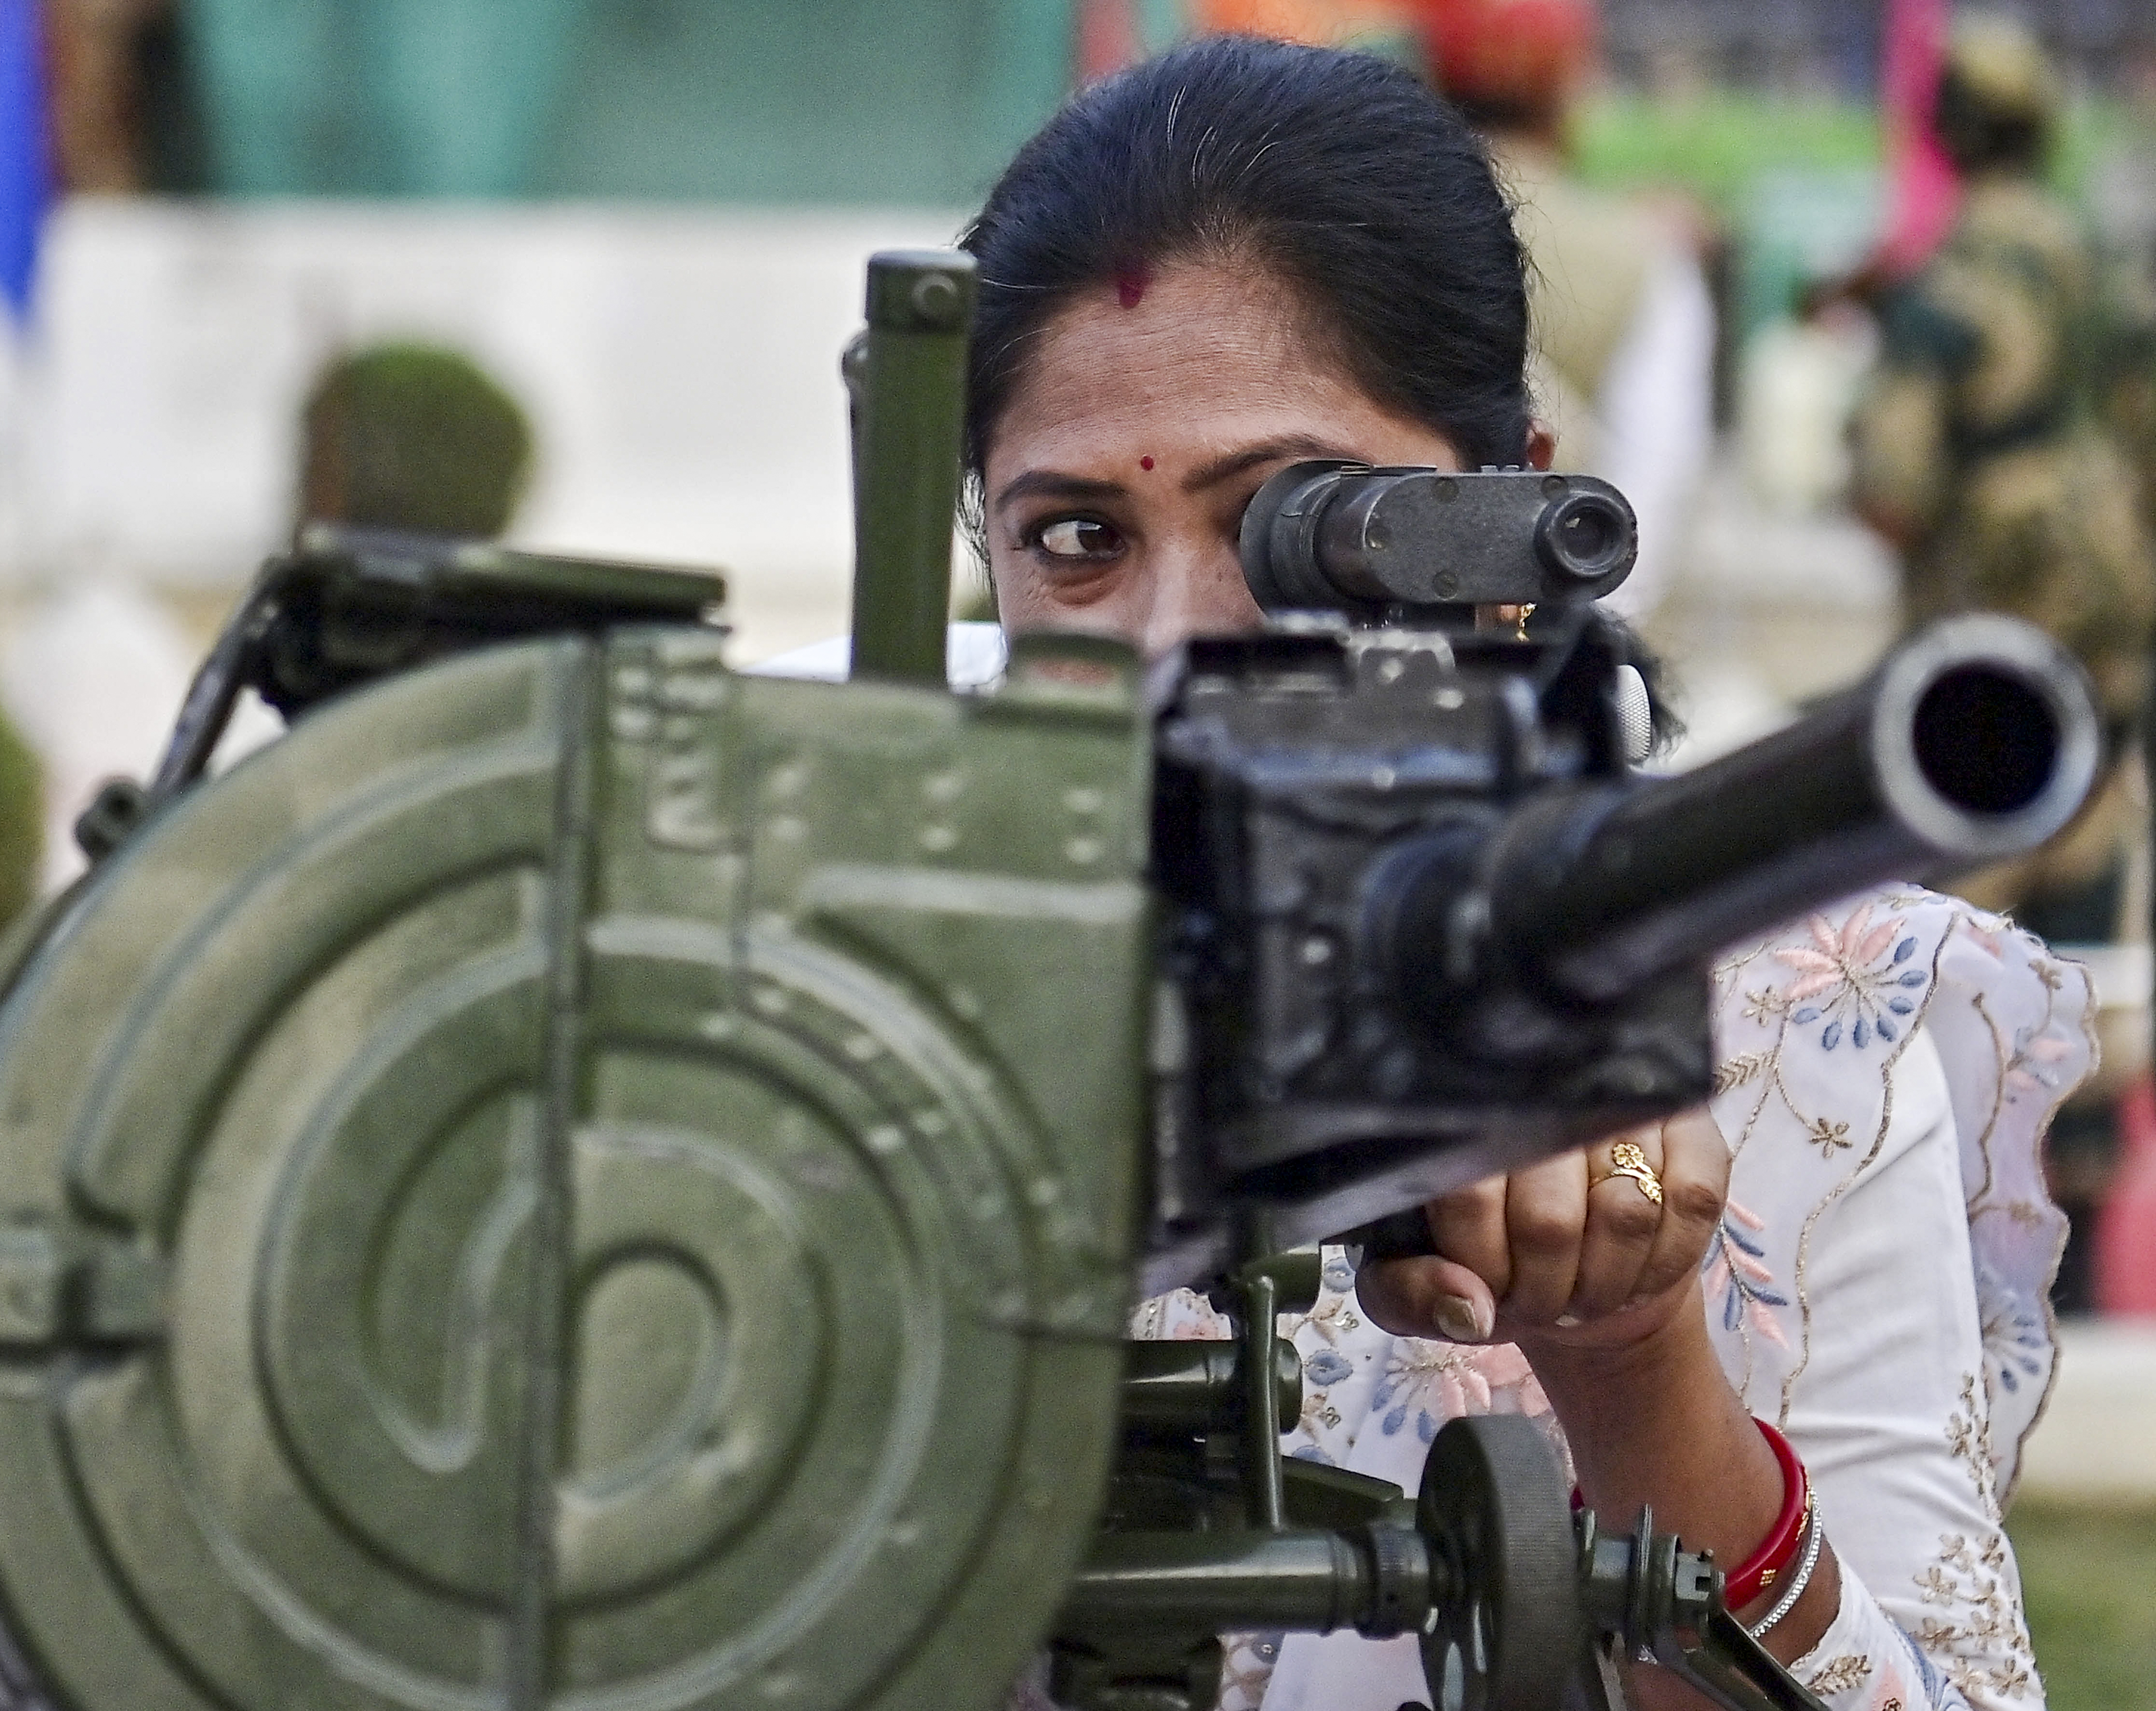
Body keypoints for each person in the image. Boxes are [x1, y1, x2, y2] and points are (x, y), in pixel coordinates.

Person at [772, 34, 2089, 1711]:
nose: (1176, 648)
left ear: (1512, 518)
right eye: (1078, 540)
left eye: (1289, 521)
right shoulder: (802, 880)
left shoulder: (1797, 1030)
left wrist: (1632, 1364)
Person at [1850, 14, 2155, 937]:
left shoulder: (1944, 291)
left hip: (1989, 630)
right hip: (2110, 612)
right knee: (2089, 925)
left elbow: (1892, 490)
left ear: (1945, 129)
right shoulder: (2109, 273)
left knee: (1964, 933)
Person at [1415, 0, 1718, 622]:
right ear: (1569, 88)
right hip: (1565, 617)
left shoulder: (1370, 229)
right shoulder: (1644, 255)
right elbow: (1656, 480)